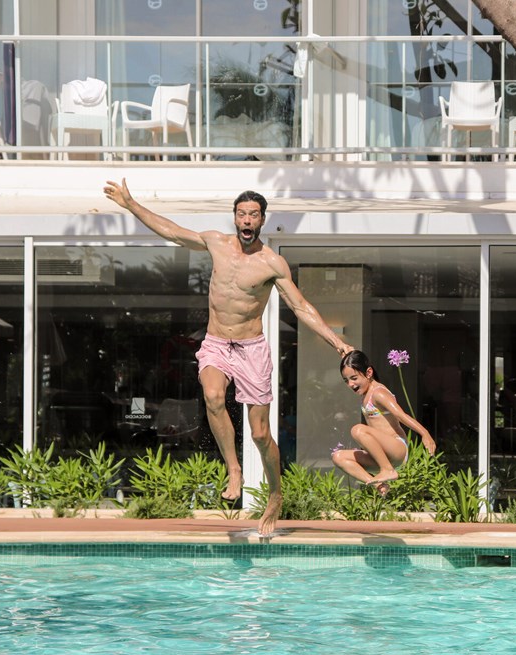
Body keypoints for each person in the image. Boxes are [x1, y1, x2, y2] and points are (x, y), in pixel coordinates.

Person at [103, 179, 352, 536]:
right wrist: (131, 204)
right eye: (241, 214)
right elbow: (172, 231)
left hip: (252, 350)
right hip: (217, 342)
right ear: (234, 218)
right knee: (213, 396)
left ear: (262, 219)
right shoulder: (216, 244)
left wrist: (335, 342)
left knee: (261, 434)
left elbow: (300, 306)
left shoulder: (272, 263)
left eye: (253, 214)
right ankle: (234, 469)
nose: (246, 220)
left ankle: (275, 495)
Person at [331, 350, 436, 496]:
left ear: (368, 373)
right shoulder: (365, 393)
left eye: (354, 378)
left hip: (397, 447)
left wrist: (425, 434)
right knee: (338, 457)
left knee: (358, 430)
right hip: (382, 456)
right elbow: (356, 361)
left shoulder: (378, 393)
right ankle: (378, 484)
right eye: (346, 380)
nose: (350, 384)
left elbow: (401, 415)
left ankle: (387, 470)